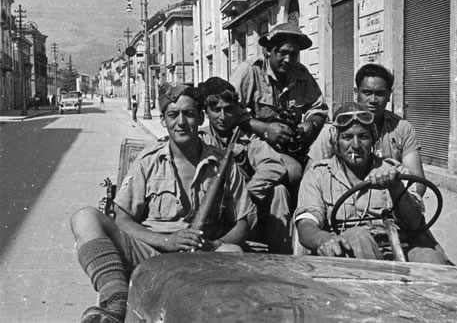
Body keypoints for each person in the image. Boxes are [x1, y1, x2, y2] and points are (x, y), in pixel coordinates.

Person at [70, 83, 254, 323]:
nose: (181, 122)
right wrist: (166, 241)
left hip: (202, 257)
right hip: (150, 253)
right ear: (164, 120)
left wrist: (213, 243)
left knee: (234, 252)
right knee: (84, 217)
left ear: (200, 117)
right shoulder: (148, 162)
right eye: (172, 115)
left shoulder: (222, 164)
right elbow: (122, 219)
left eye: (188, 114)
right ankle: (116, 303)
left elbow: (243, 222)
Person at [295, 102, 449, 264]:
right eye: (347, 137)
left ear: (373, 139)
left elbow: (415, 223)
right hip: (347, 257)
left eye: (363, 136)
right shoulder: (317, 175)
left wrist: (395, 187)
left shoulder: (395, 171)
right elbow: (306, 224)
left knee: (431, 258)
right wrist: (322, 239)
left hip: (399, 248)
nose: (355, 145)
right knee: (358, 237)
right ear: (335, 140)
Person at [231, 22, 329, 196]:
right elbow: (229, 113)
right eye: (282, 53)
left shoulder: (301, 74)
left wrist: (310, 125)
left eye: (294, 54)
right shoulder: (249, 71)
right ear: (268, 51)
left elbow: (318, 108)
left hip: (292, 144)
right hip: (256, 141)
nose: (288, 60)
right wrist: (264, 128)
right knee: (293, 172)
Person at [198, 77, 293, 253]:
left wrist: (247, 196)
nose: (222, 117)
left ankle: (282, 256)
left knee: (279, 191)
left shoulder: (246, 137)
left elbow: (272, 165)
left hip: (246, 212)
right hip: (214, 214)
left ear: (236, 110)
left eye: (228, 110)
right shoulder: (201, 140)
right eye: (216, 110)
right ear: (206, 112)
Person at [307, 62, 426, 196]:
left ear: (389, 95)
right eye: (367, 92)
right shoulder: (334, 129)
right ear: (356, 93)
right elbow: (310, 177)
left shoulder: (402, 128)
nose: (373, 100)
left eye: (380, 93)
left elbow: (417, 183)